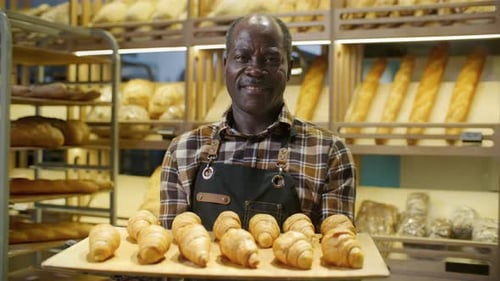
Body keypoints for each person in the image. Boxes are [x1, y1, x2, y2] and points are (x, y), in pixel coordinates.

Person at [159, 13, 356, 233]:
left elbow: (337, 249)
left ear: (289, 68)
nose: (254, 70)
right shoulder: (183, 150)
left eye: (271, 59)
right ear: (226, 65)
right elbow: (172, 252)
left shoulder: (329, 153)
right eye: (242, 57)